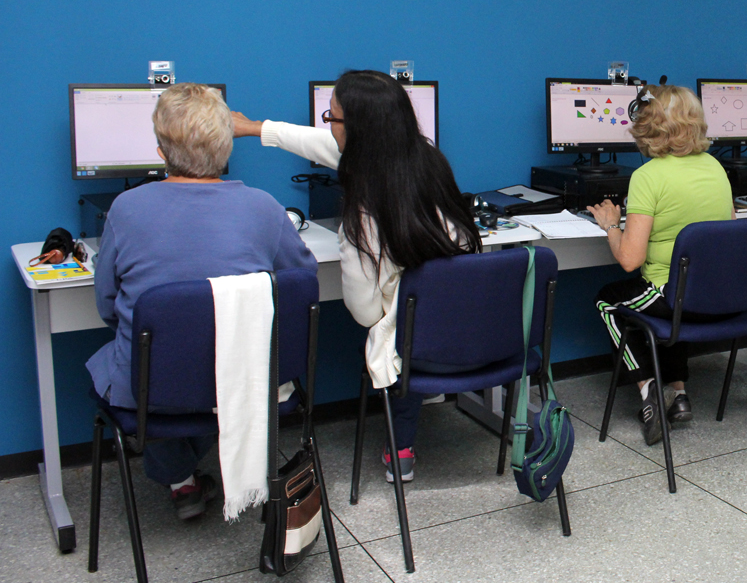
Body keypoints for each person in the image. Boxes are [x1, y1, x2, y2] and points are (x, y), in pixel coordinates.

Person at [232, 70, 480, 483]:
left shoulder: (366, 206)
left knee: (385, 328)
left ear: (360, 129)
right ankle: (415, 412)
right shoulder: (428, 161)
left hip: (416, 340)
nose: (328, 127)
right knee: (407, 322)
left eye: (332, 118)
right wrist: (256, 128)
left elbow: (364, 312)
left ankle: (401, 440)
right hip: (466, 331)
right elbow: (323, 145)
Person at [89, 83, 317, 519]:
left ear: (159, 150)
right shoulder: (264, 207)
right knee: (204, 352)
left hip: (155, 387)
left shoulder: (125, 209)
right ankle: (194, 472)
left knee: (147, 352)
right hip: (247, 382)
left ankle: (180, 481)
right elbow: (301, 284)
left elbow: (107, 304)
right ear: (226, 144)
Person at [589, 85, 734, 446]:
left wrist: (610, 225)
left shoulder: (648, 177)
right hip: (715, 295)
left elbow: (629, 260)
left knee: (607, 300)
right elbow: (730, 231)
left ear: (648, 124)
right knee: (683, 294)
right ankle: (678, 393)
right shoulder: (716, 168)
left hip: (669, 294)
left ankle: (648, 390)